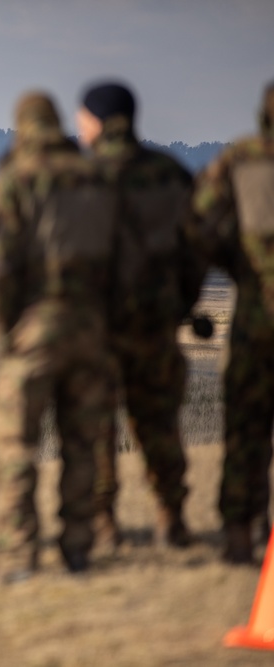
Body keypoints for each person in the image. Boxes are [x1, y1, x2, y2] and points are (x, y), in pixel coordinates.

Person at [0, 92, 118, 580]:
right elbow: (123, 260)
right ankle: (78, 546)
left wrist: (4, 332)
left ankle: (22, 551)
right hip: (91, 328)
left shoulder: (17, 180)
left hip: (35, 327)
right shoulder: (96, 181)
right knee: (82, 442)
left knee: (17, 443)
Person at [76, 81, 205, 550]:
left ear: (96, 120)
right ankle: (171, 513)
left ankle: (104, 520)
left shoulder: (82, 178)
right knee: (159, 423)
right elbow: (197, 253)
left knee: (97, 428)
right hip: (156, 324)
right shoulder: (171, 176)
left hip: (99, 328)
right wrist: (179, 306)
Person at [193, 82, 274, 564]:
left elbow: (198, 226)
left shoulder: (240, 160)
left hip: (255, 316)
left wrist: (232, 264)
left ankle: (240, 532)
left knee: (245, 428)